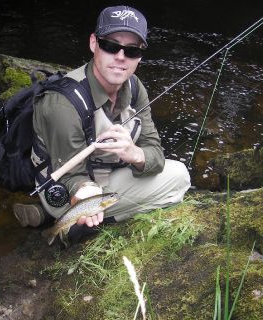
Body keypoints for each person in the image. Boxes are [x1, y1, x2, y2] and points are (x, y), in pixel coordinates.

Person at [13, 5, 191, 244]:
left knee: (180, 175)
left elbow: (155, 153)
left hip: (109, 175)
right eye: (110, 46)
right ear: (94, 44)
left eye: (131, 51)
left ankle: (57, 220)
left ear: (140, 56)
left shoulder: (136, 88)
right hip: (64, 188)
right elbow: (70, 176)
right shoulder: (61, 103)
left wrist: (135, 154)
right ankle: (62, 218)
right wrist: (84, 191)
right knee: (175, 184)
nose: (120, 57)